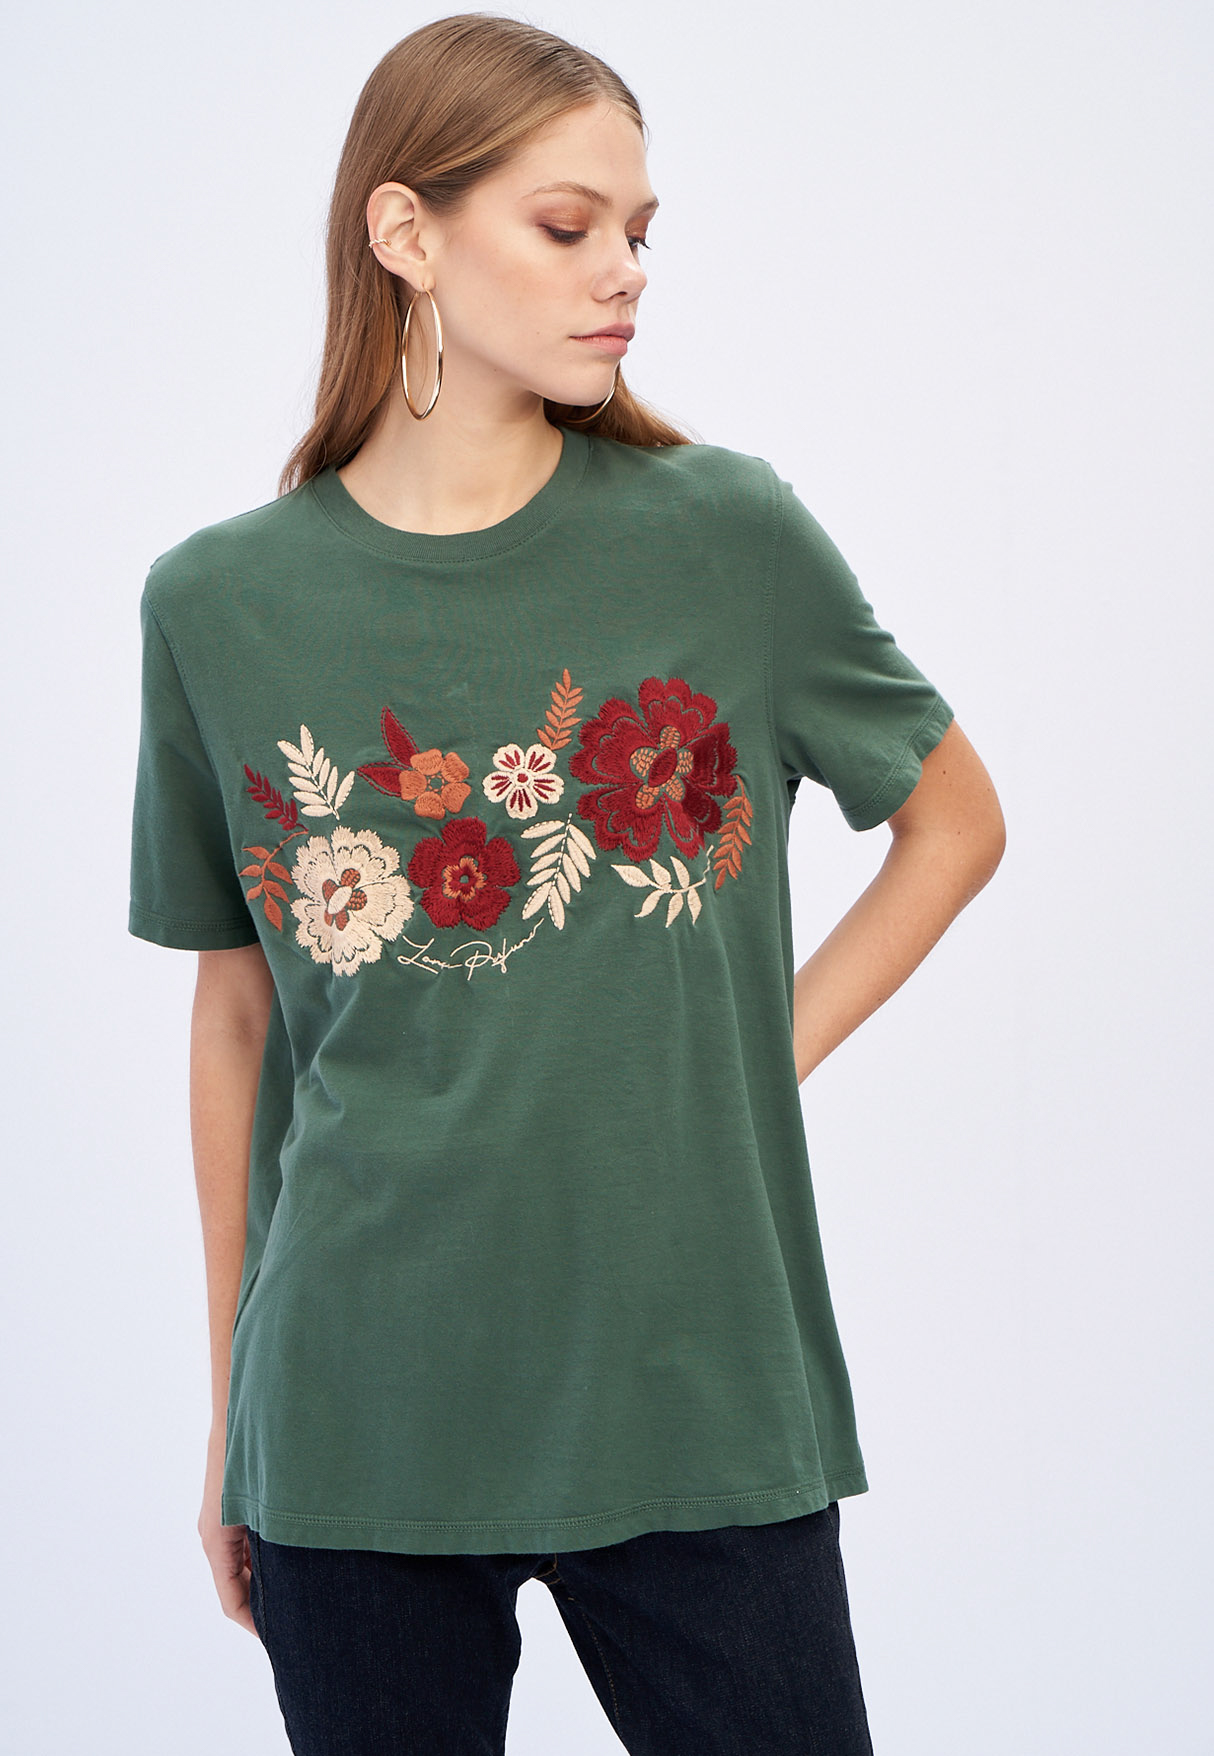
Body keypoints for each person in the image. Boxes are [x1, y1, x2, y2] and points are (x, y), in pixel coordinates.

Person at [127, 13, 1005, 1754]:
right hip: (356, 1412)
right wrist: (232, 1412)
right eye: (566, 224)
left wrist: (749, 1059)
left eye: (639, 231)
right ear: (406, 234)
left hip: (690, 1384)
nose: (624, 272)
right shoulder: (217, 603)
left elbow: (954, 823)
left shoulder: (723, 536)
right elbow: (235, 1021)